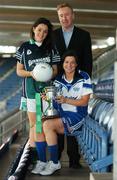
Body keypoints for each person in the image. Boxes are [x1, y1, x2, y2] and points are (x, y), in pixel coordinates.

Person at [34, 50, 93, 176]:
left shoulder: (84, 77)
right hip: (62, 115)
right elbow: (56, 103)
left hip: (78, 116)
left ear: (76, 64)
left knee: (48, 125)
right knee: (38, 124)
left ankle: (54, 162)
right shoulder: (59, 79)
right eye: (66, 62)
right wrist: (47, 99)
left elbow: (84, 102)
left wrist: (66, 100)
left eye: (72, 62)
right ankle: (42, 161)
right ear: (63, 63)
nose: (69, 65)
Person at [15, 17, 61, 168]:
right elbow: (19, 71)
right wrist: (33, 74)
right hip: (31, 91)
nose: (42, 33)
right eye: (39, 29)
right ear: (34, 28)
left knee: (45, 125)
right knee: (35, 125)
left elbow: (55, 70)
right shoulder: (24, 48)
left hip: (47, 92)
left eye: (45, 31)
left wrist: (48, 74)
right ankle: (36, 158)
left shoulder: (51, 48)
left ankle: (46, 160)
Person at [53, 3, 93, 168]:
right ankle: (55, 159)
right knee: (57, 117)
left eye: (67, 15)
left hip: (77, 84)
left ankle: (74, 160)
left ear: (73, 15)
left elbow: (88, 61)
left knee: (73, 119)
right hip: (59, 83)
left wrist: (84, 83)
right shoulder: (53, 35)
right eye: (61, 15)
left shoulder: (84, 35)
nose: (64, 18)